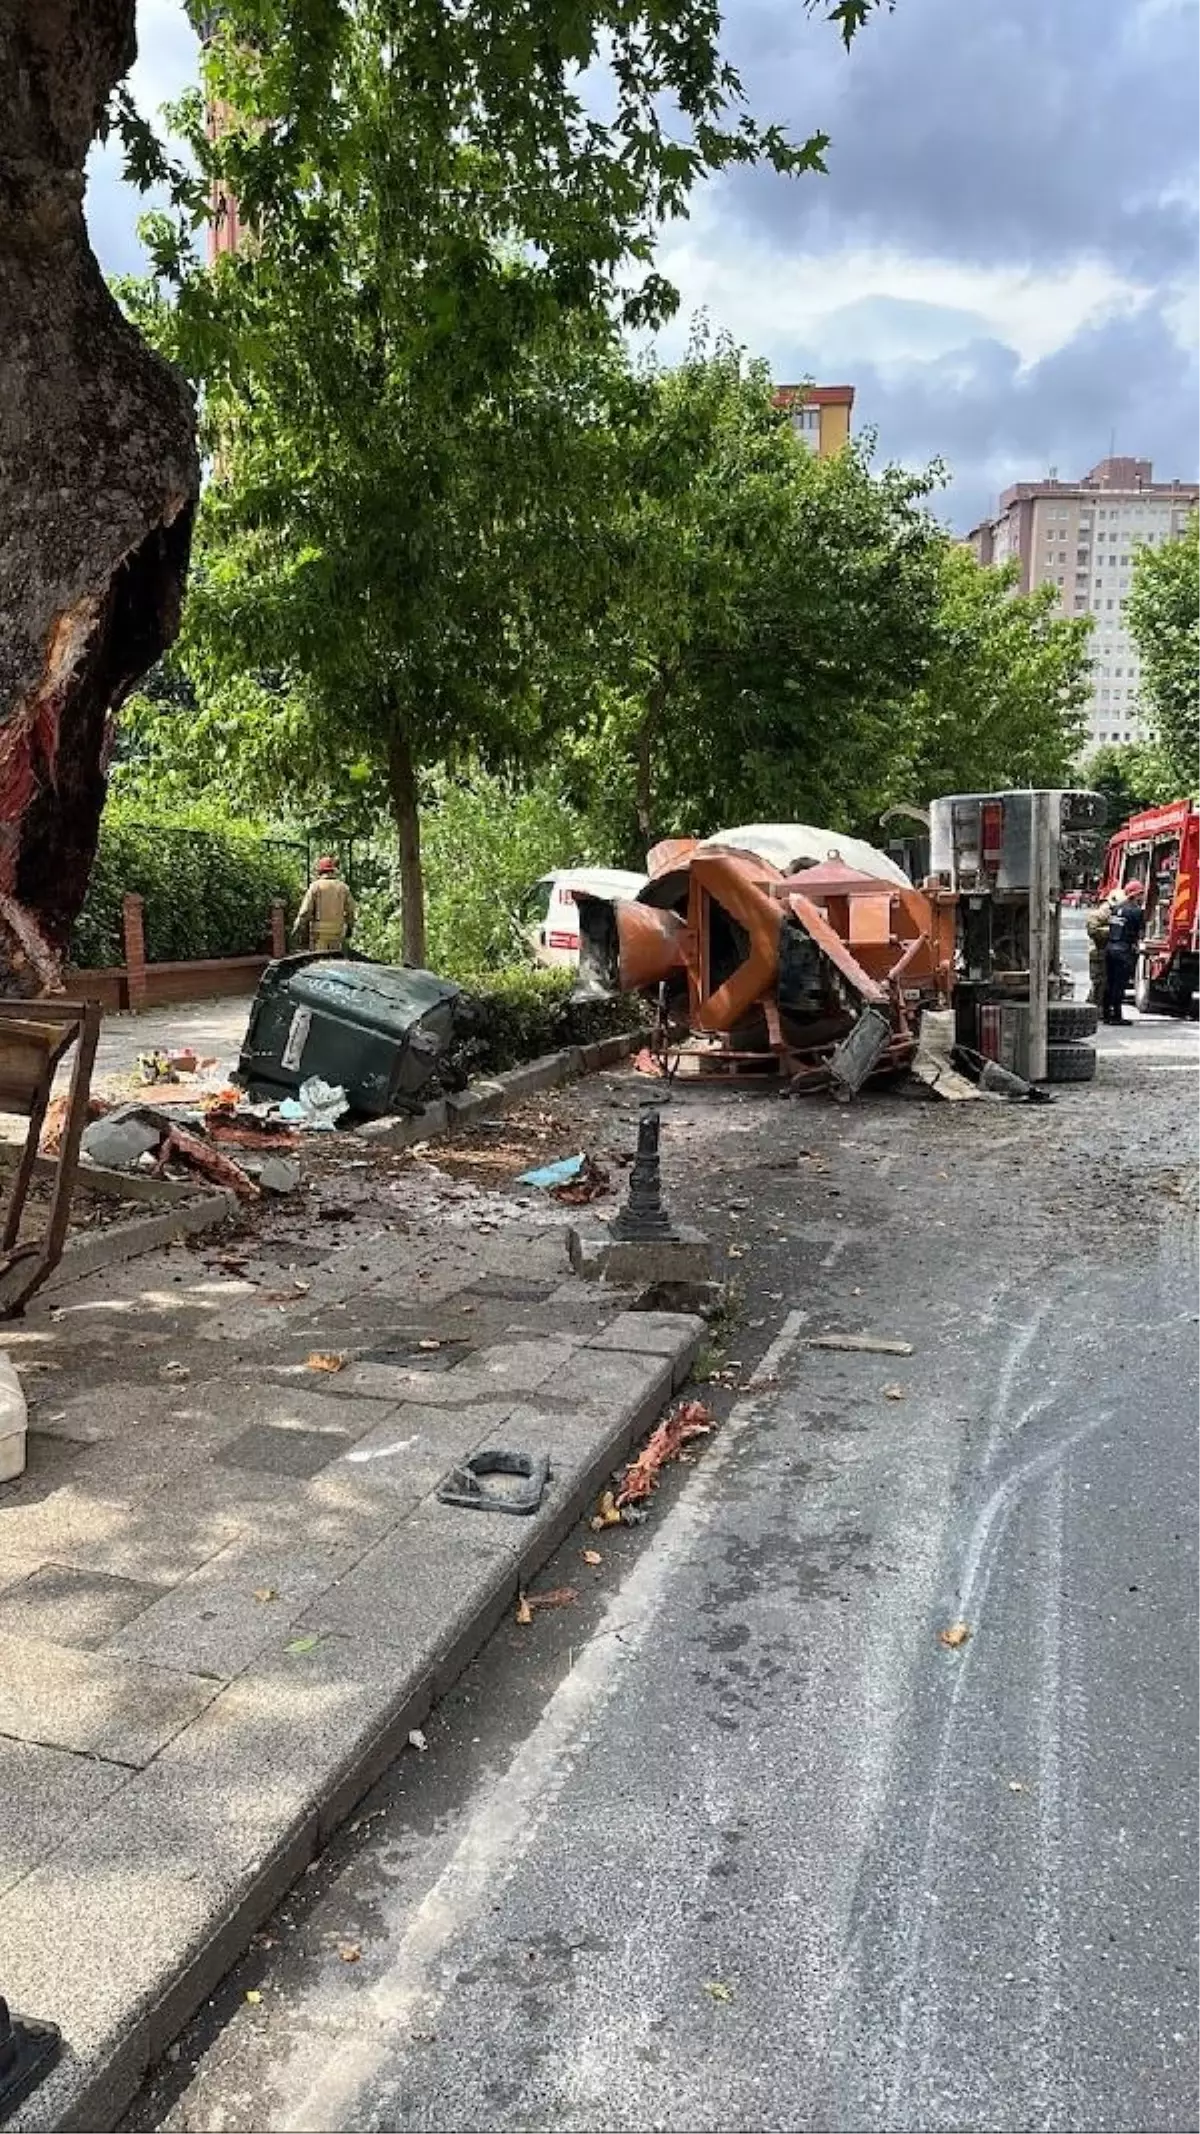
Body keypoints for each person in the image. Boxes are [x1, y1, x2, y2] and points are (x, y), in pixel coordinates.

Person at [292, 855, 357, 954]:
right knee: (336, 962)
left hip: (319, 934)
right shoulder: (343, 887)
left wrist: (297, 928)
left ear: (320, 872)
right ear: (333, 871)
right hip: (337, 932)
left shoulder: (315, 886)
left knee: (320, 962)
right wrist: (350, 927)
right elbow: (351, 910)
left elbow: (305, 911)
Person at [1102, 879, 1146, 1025]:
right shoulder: (1136, 911)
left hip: (1110, 949)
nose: (1143, 897)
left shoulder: (1116, 908)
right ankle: (1117, 1016)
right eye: (1141, 894)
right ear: (1136, 894)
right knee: (1119, 985)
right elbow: (1139, 934)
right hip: (1123, 951)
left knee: (1110, 982)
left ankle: (1107, 1014)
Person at [1086, 894, 1111, 1008]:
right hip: (1097, 953)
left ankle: (1098, 1006)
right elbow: (1093, 931)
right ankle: (1094, 1005)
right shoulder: (1095, 916)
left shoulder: (1103, 916)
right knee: (1098, 982)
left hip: (1103, 953)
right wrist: (1112, 930)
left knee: (1103, 983)